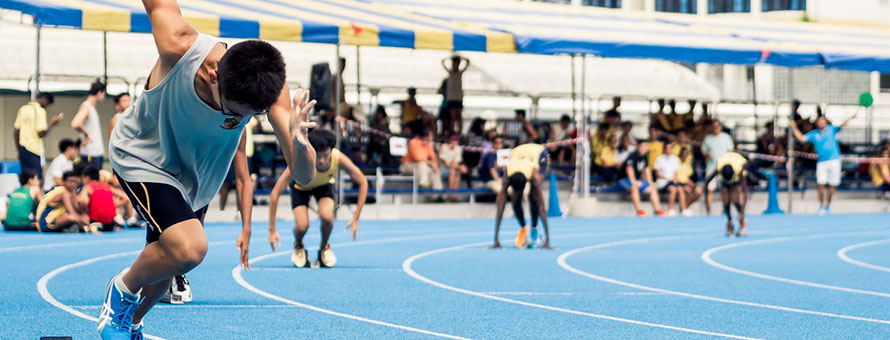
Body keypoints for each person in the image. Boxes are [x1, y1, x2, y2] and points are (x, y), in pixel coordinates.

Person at [96, 1, 318, 338]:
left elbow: (304, 176)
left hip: (195, 178)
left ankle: (133, 321)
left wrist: (300, 145)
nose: (237, 120)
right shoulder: (179, 45)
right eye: (235, 113)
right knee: (190, 247)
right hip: (143, 156)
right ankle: (121, 289)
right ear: (214, 74)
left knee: (170, 266)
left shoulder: (269, 92)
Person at [268, 129, 367, 268]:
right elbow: (275, 193)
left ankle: (324, 247)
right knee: (302, 226)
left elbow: (363, 182)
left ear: (331, 152)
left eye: (325, 155)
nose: (321, 160)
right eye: (317, 156)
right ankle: (298, 244)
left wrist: (356, 218)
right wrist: (272, 229)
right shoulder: (301, 160)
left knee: (327, 217)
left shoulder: (338, 158)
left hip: (324, 186)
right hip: (300, 188)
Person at [790, 112, 859, 215]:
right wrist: (794, 128)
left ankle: (828, 205)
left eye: (823, 120)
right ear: (817, 123)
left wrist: (851, 116)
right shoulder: (814, 134)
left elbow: (843, 122)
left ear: (826, 122)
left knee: (832, 185)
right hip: (822, 162)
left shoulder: (831, 129)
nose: (822, 122)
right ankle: (821, 206)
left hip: (835, 161)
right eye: (820, 120)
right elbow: (801, 139)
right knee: (821, 184)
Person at [491, 143, 551, 249]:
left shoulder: (533, 174)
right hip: (517, 151)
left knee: (534, 196)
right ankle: (523, 227)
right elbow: (500, 208)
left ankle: (534, 228)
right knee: (515, 199)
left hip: (539, 152)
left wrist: (547, 241)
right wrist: (496, 240)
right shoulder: (507, 174)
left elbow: (542, 207)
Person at [14, 92, 62, 180]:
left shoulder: (23, 109)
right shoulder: (40, 110)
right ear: (45, 99)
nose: (46, 106)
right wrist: (52, 123)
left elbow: (16, 131)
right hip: (33, 149)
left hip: (23, 149)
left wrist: (18, 150)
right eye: (47, 104)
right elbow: (41, 133)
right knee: (37, 179)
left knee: (26, 180)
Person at [703, 152, 753, 237]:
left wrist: (742, 213)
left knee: (735, 200)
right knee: (726, 201)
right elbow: (706, 182)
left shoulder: (740, 169)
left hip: (736, 176)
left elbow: (745, 193)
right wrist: (706, 201)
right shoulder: (719, 167)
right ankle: (730, 220)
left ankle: (742, 222)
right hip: (725, 177)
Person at [618, 141, 667, 217]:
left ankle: (657, 210)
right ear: (638, 147)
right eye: (643, 146)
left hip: (636, 179)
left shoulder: (645, 156)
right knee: (634, 187)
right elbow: (629, 169)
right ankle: (639, 210)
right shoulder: (633, 156)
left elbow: (647, 169)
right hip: (623, 179)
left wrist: (650, 182)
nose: (645, 148)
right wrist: (634, 182)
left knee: (652, 188)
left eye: (646, 146)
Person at [71, 79, 107, 169]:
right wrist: (87, 134)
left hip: (95, 151)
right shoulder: (86, 107)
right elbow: (75, 123)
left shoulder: (91, 107)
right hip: (90, 152)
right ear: (99, 92)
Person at [78, 166, 128, 231]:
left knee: (82, 217)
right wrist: (113, 206)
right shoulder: (107, 186)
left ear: (87, 178)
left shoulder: (87, 187)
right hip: (110, 222)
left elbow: (82, 201)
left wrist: (83, 212)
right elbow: (126, 197)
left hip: (95, 219)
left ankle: (91, 226)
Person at [702, 120, 735, 214]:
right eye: (714, 126)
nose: (715, 128)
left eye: (717, 126)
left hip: (723, 167)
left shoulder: (726, 137)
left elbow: (730, 150)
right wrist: (707, 154)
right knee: (709, 188)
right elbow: (703, 151)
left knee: (724, 189)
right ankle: (708, 210)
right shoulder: (708, 138)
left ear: (720, 127)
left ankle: (725, 209)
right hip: (711, 167)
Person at [653, 143, 686, 216]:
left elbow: (676, 174)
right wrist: (668, 179)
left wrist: (673, 179)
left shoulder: (676, 159)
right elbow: (657, 174)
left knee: (680, 189)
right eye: (667, 148)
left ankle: (684, 209)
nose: (668, 150)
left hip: (672, 182)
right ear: (664, 149)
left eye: (670, 148)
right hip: (662, 182)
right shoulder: (659, 158)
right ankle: (670, 209)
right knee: (673, 189)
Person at [441, 55, 469, 135]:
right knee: (453, 116)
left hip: (458, 98)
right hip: (451, 98)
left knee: (459, 116)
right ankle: (453, 132)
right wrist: (450, 57)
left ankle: (459, 132)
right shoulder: (450, 72)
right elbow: (442, 62)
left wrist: (461, 57)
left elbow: (468, 62)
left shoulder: (460, 73)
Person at [439, 135, 467, 202]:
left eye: (456, 140)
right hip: (441, 169)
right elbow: (447, 164)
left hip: (452, 168)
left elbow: (455, 162)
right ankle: (450, 195)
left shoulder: (458, 148)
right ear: (449, 140)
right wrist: (460, 167)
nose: (455, 142)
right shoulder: (444, 147)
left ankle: (453, 195)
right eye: (453, 140)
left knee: (457, 172)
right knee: (453, 172)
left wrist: (459, 167)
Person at [675, 146, 701, 211]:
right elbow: (677, 176)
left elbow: (688, 177)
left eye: (686, 153)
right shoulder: (676, 162)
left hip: (686, 183)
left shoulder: (688, 163)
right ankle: (684, 209)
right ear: (680, 154)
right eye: (683, 153)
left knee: (699, 191)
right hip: (678, 183)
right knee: (688, 190)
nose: (685, 155)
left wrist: (693, 185)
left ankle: (686, 207)